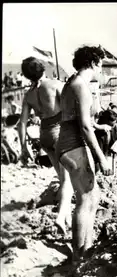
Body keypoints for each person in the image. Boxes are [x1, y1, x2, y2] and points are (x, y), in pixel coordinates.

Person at [57, 45, 112, 263]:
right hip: (74, 146)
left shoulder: (71, 83)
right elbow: (84, 128)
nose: (101, 69)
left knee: (92, 196)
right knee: (85, 199)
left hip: (66, 144)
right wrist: (101, 157)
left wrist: (98, 127)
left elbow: (78, 120)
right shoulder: (81, 86)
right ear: (93, 63)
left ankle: (85, 248)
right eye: (101, 65)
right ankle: (79, 256)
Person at [17, 57, 76, 236]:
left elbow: (22, 124)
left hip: (44, 135)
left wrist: (24, 147)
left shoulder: (28, 95)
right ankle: (61, 217)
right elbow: (69, 110)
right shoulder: (55, 84)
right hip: (60, 132)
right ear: (43, 69)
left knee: (62, 178)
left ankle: (67, 221)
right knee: (69, 180)